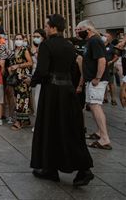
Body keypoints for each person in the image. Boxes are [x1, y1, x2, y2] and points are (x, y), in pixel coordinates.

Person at [31, 14, 94, 187]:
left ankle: (50, 169)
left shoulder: (46, 45)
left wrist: (32, 81)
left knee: (50, 128)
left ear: (52, 27)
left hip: (52, 92)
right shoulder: (68, 45)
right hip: (68, 91)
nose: (44, 28)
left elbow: (42, 71)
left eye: (46, 25)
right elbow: (74, 69)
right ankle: (79, 168)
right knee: (70, 129)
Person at [76, 20, 111, 150]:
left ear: (88, 29)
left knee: (95, 105)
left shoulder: (95, 41)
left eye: (79, 30)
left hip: (96, 80)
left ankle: (104, 138)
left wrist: (97, 77)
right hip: (91, 79)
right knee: (93, 104)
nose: (78, 33)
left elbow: (101, 60)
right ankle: (99, 133)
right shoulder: (90, 41)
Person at [8, 34, 33, 131]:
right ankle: (25, 120)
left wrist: (18, 66)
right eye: (16, 39)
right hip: (16, 79)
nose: (18, 40)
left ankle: (19, 121)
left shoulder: (25, 50)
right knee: (17, 98)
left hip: (23, 78)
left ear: (23, 40)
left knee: (22, 99)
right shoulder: (14, 51)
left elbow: (30, 63)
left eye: (20, 39)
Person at [30, 28, 46, 129]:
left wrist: (35, 53)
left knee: (38, 99)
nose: (35, 39)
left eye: (38, 37)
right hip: (34, 74)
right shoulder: (34, 47)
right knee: (35, 99)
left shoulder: (44, 48)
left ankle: (40, 124)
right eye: (34, 37)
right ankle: (38, 123)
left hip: (41, 75)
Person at [101, 32, 119, 105]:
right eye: (104, 36)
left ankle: (113, 99)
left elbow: (116, 57)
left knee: (111, 84)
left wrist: (111, 62)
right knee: (103, 84)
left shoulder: (112, 47)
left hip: (109, 68)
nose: (104, 37)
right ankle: (105, 98)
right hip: (101, 68)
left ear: (109, 38)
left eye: (106, 36)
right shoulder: (100, 46)